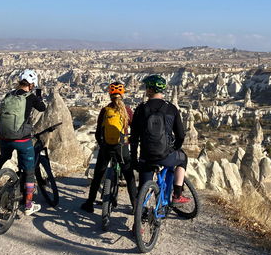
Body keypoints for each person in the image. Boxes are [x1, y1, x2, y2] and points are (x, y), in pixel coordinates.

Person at [0, 69, 46, 216]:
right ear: (31, 84)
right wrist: (39, 97)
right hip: (22, 140)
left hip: (4, 138)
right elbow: (42, 108)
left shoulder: (9, 95)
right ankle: (28, 205)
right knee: (29, 172)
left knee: (2, 158)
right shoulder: (31, 97)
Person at [130, 74, 190, 204]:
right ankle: (177, 195)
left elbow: (134, 137)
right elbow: (180, 136)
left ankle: (137, 217)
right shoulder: (171, 108)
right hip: (166, 155)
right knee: (183, 159)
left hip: (146, 157)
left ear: (150, 90)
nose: (145, 89)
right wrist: (172, 149)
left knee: (142, 191)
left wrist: (134, 159)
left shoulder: (140, 109)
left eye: (146, 87)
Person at [81, 81, 137, 213]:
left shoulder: (105, 110)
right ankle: (135, 206)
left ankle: (90, 203)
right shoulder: (127, 111)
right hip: (122, 147)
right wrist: (130, 141)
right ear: (122, 94)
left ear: (110, 94)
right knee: (129, 177)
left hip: (106, 147)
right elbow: (134, 129)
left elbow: (98, 132)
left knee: (98, 175)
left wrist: (102, 144)